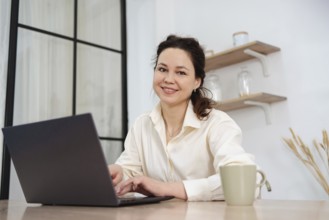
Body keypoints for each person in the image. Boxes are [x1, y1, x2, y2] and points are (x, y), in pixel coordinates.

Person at [108, 35, 256, 201]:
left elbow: (245, 180)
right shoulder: (142, 125)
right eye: (162, 69)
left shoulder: (217, 123)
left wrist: (166, 189)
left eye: (181, 72)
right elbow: (130, 171)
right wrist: (119, 172)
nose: (168, 79)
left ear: (197, 82)